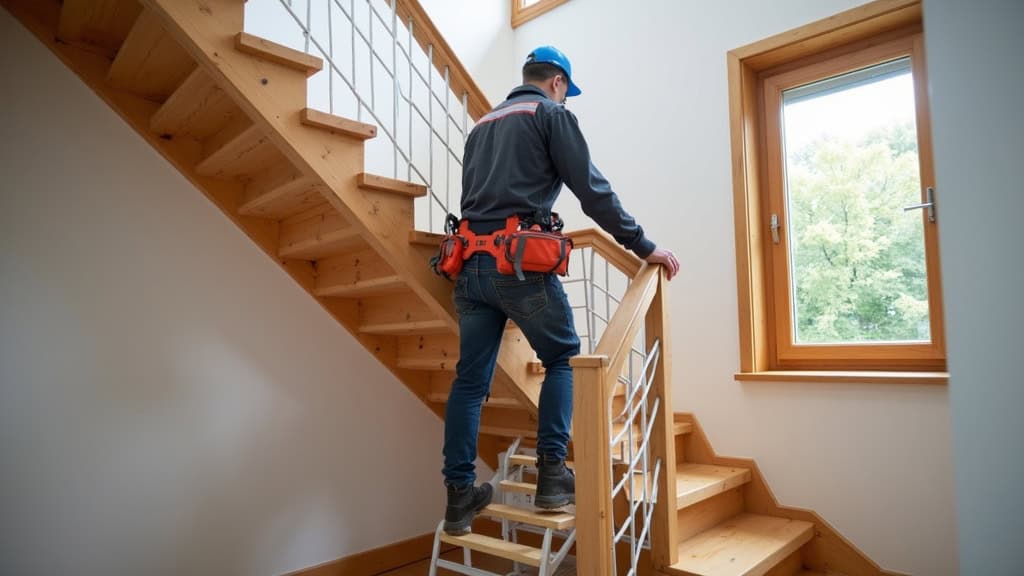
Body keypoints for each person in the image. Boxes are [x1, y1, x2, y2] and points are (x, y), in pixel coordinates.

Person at [442, 45, 679, 535]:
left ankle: (460, 497)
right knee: (562, 357)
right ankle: (553, 474)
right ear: (556, 83)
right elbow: (592, 191)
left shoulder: (481, 126)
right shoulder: (551, 115)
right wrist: (642, 245)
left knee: (469, 383)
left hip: (470, 267)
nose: (565, 99)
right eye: (566, 92)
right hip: (519, 268)